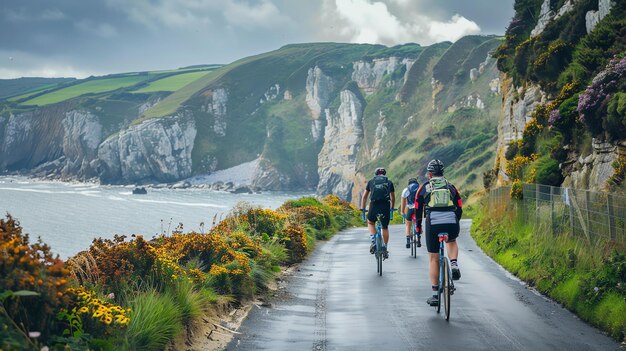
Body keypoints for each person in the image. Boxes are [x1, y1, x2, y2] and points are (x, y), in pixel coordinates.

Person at [414, 159, 463, 306]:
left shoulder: (423, 188)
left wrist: (418, 228)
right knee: (452, 240)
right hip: (451, 220)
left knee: (434, 259)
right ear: (442, 172)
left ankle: (435, 295)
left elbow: (417, 209)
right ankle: (454, 264)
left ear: (429, 174)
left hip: (433, 222)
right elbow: (459, 206)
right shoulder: (451, 186)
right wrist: (455, 220)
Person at [360, 167, 395, 259]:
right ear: (385, 174)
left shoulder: (371, 182)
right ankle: (385, 248)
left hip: (374, 205)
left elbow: (364, 197)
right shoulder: (389, 182)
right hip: (385, 206)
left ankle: (373, 241)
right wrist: (391, 209)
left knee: (370, 222)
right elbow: (392, 197)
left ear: (375, 174)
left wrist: (363, 209)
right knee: (385, 227)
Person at [400, 178, 421, 249]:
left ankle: (408, 241)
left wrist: (402, 211)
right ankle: (418, 239)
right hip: (418, 209)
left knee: (408, 225)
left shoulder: (406, 190)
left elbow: (403, 203)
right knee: (418, 223)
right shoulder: (420, 188)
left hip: (410, 209)